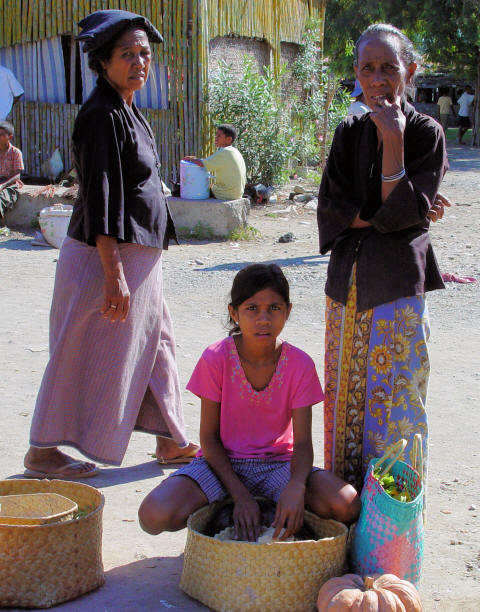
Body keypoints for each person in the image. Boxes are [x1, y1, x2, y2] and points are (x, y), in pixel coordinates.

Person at [23, 9, 198, 479]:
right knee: (77, 350)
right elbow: (100, 195)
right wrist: (113, 271)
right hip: (106, 259)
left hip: (138, 258)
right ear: (102, 62)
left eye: (144, 53)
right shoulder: (101, 115)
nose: (139, 61)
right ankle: (42, 453)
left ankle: (171, 440)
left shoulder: (125, 107)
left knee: (157, 341)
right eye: (127, 54)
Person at [138, 264, 360, 540]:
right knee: (153, 515)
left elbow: (303, 445)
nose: (264, 319)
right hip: (222, 466)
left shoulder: (299, 364)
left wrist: (296, 486)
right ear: (234, 313)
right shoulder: (216, 358)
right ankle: (233, 508)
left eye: (274, 308)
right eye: (252, 308)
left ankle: (256, 512)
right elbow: (208, 439)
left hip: (279, 466)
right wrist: (240, 495)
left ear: (288, 311)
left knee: (346, 504)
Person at [317, 24, 448, 493]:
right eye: (368, 68)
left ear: (408, 72)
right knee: (345, 404)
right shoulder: (347, 132)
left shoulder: (426, 133)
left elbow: (401, 220)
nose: (377, 79)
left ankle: (390, 530)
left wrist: (393, 142)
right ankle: (346, 515)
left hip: (396, 285)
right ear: (356, 73)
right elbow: (332, 210)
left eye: (388, 68)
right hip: (345, 286)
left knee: (397, 407)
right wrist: (402, 210)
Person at [183, 124, 246, 200]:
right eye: (216, 135)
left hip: (226, 194)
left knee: (196, 190)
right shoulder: (235, 151)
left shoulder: (225, 152)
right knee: (211, 186)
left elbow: (203, 164)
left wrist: (191, 159)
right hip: (237, 194)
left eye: (219, 136)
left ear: (228, 139)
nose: (216, 138)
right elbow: (207, 162)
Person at [0, 120, 24, 223]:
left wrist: (2, 186)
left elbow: (17, 176)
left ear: (10, 137)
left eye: (1, 134)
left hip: (10, 182)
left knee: (2, 197)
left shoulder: (15, 152)